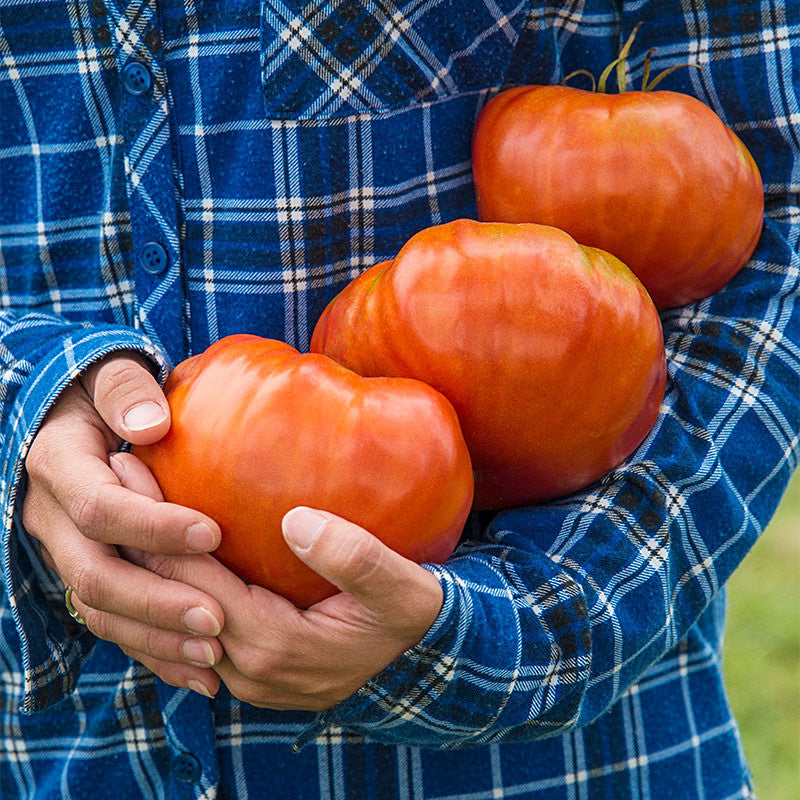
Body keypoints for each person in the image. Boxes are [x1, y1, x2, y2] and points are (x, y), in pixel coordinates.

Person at [1, 1, 797, 797]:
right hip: (76, 754)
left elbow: (772, 253)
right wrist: (25, 405)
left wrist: (504, 624)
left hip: (551, 766)